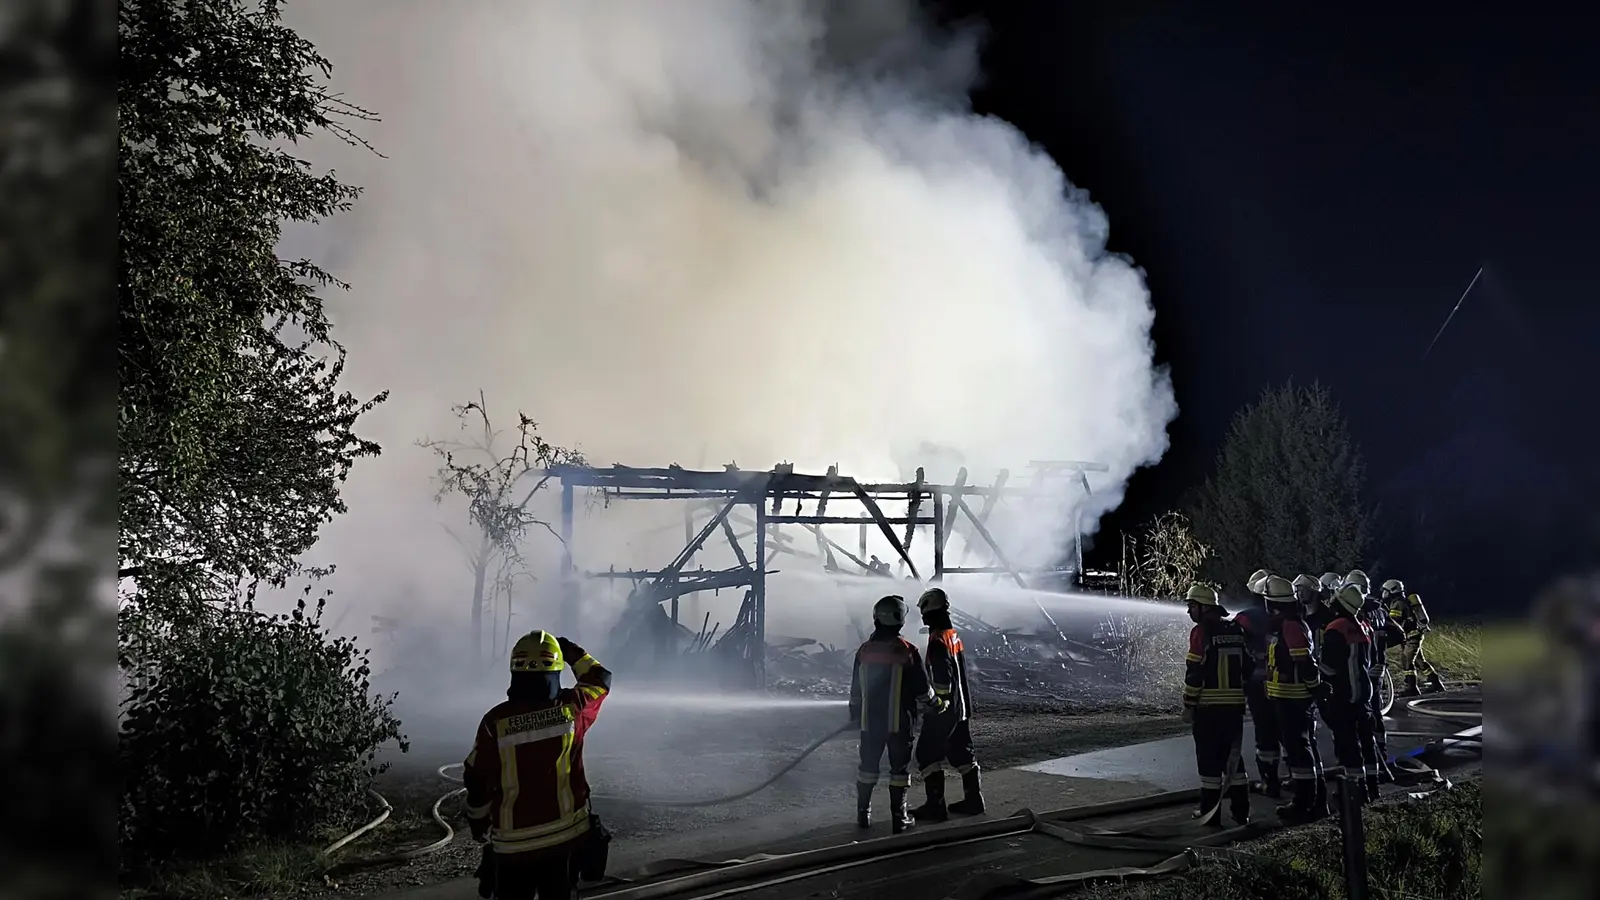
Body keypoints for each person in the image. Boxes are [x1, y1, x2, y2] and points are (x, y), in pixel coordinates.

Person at [463, 630, 613, 900]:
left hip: (512, 847)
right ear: (555, 671)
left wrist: (478, 823)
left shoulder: (494, 722)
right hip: (566, 841)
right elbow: (600, 679)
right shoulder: (572, 708)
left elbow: (476, 779)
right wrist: (570, 651)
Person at [848, 595, 946, 833]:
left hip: (870, 724)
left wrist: (855, 715)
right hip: (900, 724)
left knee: (867, 767)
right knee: (899, 771)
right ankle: (899, 818)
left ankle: (863, 815)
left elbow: (855, 691)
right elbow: (923, 689)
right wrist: (937, 704)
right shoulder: (907, 651)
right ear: (900, 620)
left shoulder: (864, 651)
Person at [1182, 584, 1253, 827]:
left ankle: (1209, 814)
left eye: (1192, 606)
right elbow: (1250, 666)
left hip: (1208, 707)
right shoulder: (1236, 628)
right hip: (1234, 706)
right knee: (1233, 759)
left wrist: (1189, 703)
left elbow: (1195, 671)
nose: (1189, 611)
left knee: (1209, 760)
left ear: (1203, 607)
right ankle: (1242, 811)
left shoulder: (1201, 631)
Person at [911, 586, 984, 821]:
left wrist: (936, 703)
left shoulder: (937, 639)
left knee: (926, 753)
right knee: (962, 752)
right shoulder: (953, 634)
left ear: (929, 611)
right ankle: (974, 801)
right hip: (962, 707)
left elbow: (943, 676)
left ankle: (935, 806)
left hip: (945, 709)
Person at [1263, 574, 1329, 823]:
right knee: (1303, 749)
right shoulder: (1288, 623)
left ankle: (1304, 804)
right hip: (1288, 697)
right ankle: (1316, 800)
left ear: (1272, 603)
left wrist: (1315, 688)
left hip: (1294, 699)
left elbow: (1305, 662)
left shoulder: (1290, 625)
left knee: (1300, 751)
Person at [1319, 585, 1382, 804]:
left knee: (1348, 744)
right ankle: (1373, 787)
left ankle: (1356, 790)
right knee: (1367, 740)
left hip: (1343, 694)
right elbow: (1371, 659)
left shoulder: (1336, 628)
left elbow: (1328, 667)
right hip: (1364, 692)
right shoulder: (1365, 626)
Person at [1231, 574, 1281, 799]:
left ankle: (1270, 782)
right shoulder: (1284, 617)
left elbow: (1234, 647)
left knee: (1265, 732)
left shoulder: (1244, 618)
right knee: (1288, 732)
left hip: (1257, 684)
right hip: (1283, 685)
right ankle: (1297, 780)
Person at [1360, 575, 1406, 781]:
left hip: (1363, 669)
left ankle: (1372, 765)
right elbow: (1399, 633)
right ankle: (1381, 754)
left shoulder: (1360, 613)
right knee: (1376, 711)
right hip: (1377, 667)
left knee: (1365, 713)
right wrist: (1381, 649)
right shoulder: (1380, 609)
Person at [1383, 579, 1444, 696]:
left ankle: (1412, 688)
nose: (1384, 593)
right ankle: (1436, 683)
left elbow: (1394, 622)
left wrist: (1385, 616)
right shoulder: (1402, 601)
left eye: (1385, 591)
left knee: (1407, 661)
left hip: (1411, 637)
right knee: (1420, 661)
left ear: (1391, 590)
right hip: (1415, 635)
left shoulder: (1398, 604)